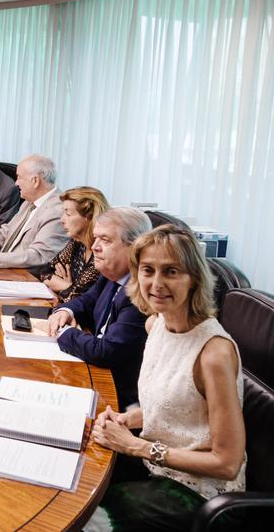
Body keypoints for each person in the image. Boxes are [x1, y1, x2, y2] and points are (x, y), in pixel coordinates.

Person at [87, 225, 245, 531]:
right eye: (148, 270)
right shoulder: (155, 325)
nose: (156, 283)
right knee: (80, 471)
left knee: (89, 517)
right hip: (156, 465)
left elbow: (227, 463)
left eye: (171, 271)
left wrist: (136, 447)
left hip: (197, 493)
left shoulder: (213, 353)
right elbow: (178, 407)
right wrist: (126, 420)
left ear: (194, 278)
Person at [45, 207, 151, 408]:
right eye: (95, 239)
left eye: (106, 240)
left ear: (134, 247)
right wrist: (65, 311)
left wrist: (64, 331)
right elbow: (86, 301)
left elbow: (105, 352)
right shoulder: (111, 275)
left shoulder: (140, 293)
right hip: (93, 373)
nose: (94, 247)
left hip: (118, 398)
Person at [37, 187, 109, 303]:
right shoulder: (77, 243)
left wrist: (67, 288)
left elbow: (79, 300)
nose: (62, 220)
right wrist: (68, 286)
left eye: (68, 214)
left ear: (88, 216)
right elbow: (46, 273)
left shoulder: (101, 254)